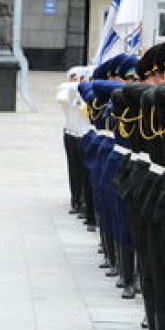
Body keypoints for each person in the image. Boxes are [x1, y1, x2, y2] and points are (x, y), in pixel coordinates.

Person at [57, 65, 93, 224]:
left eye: (82, 78)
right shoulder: (68, 90)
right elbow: (62, 97)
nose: (78, 81)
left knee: (86, 173)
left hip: (85, 136)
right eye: (75, 78)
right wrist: (77, 86)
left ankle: (85, 202)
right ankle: (76, 199)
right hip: (72, 134)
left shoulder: (91, 95)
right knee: (75, 170)